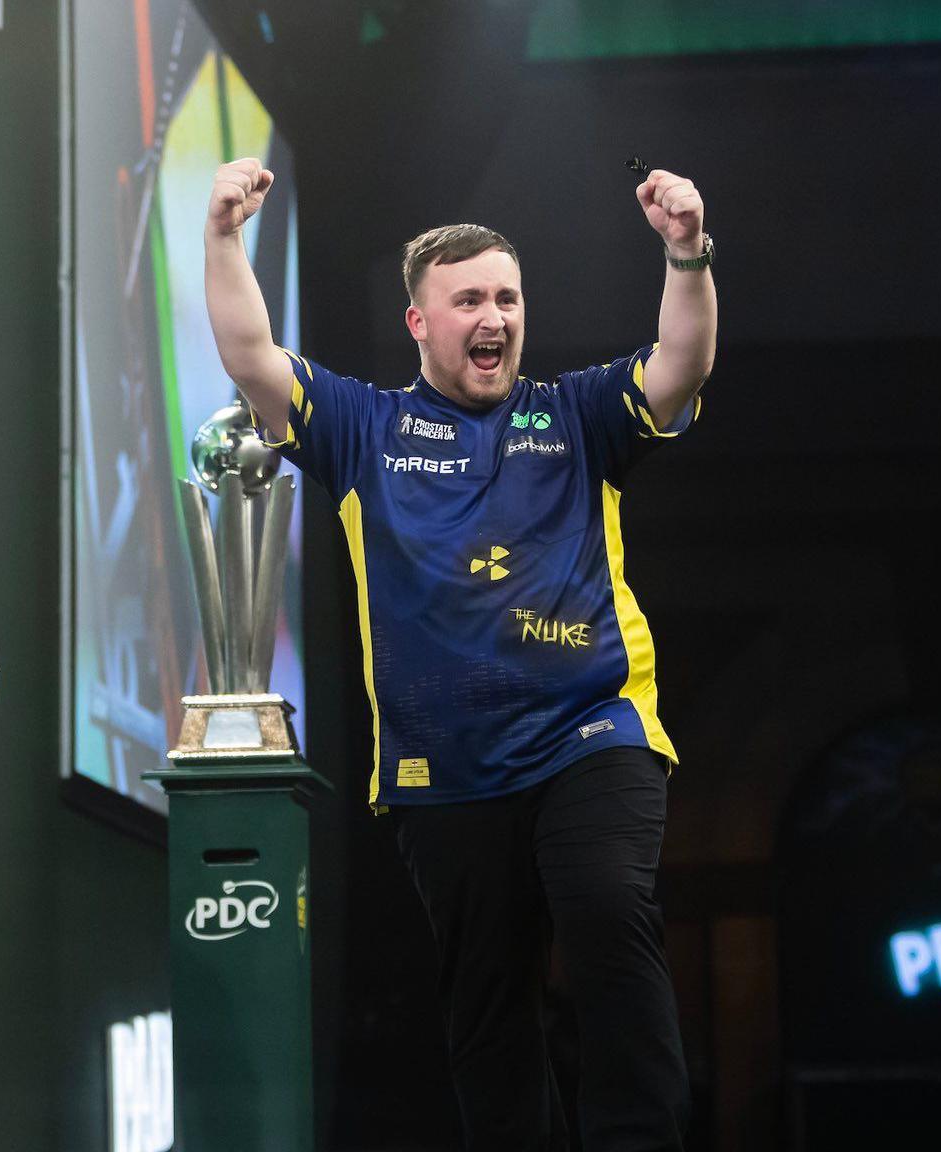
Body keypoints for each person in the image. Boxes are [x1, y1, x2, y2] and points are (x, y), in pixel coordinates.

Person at [205, 157, 715, 1150]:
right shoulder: (362, 428)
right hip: (440, 766)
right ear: (419, 322)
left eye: (508, 298)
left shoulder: (576, 415)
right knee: (485, 1004)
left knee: (608, 911)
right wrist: (223, 235)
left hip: (590, 731)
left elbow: (680, 365)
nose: (495, 316)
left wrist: (686, 254)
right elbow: (250, 354)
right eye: (470, 299)